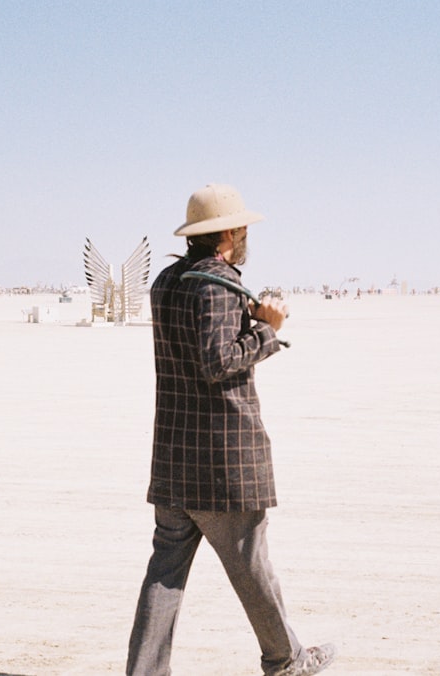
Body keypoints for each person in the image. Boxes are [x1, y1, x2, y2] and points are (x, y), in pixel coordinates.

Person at [126, 184, 336, 676]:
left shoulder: (166, 282)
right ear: (229, 232)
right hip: (223, 463)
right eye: (242, 228)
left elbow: (195, 347)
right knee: (253, 569)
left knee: (164, 576)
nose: (245, 236)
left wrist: (250, 319)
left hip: (173, 458)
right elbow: (219, 361)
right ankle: (287, 661)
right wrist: (267, 329)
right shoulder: (218, 284)